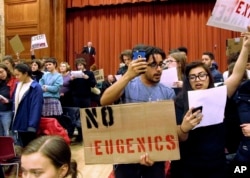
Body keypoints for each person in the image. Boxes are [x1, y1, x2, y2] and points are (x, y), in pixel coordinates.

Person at [170, 28, 250, 178]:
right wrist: (184, 128)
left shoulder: (219, 94)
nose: (198, 79)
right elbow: (178, 137)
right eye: (193, 77)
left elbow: (238, 74)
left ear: (209, 77)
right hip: (188, 165)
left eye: (202, 75)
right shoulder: (179, 101)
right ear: (188, 81)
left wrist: (245, 47)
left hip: (216, 163)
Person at [101, 45, 176, 178]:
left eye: (160, 64)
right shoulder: (128, 84)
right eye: (153, 65)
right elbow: (104, 101)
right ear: (142, 66)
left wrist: (157, 154)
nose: (159, 69)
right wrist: (127, 76)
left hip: (155, 157)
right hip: (126, 155)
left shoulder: (168, 92)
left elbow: (168, 128)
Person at [11, 63, 43, 147]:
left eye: (18, 75)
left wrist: (32, 125)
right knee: (22, 147)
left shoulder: (35, 87)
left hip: (28, 123)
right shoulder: (18, 85)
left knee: (30, 147)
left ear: (25, 73)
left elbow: (36, 107)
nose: (16, 77)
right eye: (15, 75)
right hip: (19, 121)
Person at [0, 63, 18, 136]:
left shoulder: (13, 81)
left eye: (2, 71)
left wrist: (8, 101)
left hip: (7, 111)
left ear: (6, 70)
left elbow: (16, 98)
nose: (1, 74)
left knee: (7, 133)